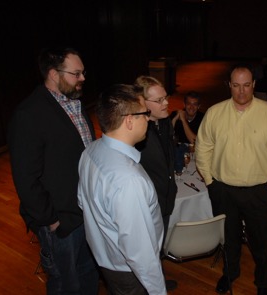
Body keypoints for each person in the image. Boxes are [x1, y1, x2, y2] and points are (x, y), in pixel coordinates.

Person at [7, 47, 99, 294]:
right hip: (61, 221)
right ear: (53, 74)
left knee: (88, 273)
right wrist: (51, 219)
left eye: (83, 72)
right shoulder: (29, 114)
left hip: (85, 211)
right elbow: (26, 178)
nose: (82, 78)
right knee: (65, 283)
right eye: (76, 73)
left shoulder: (75, 104)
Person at [195, 64, 267, 295]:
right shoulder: (214, 113)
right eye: (236, 85)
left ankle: (263, 283)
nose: (241, 91)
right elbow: (203, 149)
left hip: (260, 192)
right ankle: (230, 273)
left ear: (254, 85)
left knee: (262, 242)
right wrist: (210, 181)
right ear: (229, 85)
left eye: (246, 85)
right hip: (223, 190)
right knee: (228, 239)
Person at [78, 84, 166, 295]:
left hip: (106, 260)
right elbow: (140, 253)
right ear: (129, 121)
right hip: (131, 273)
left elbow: (83, 201)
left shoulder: (90, 151)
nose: (148, 118)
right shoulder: (129, 180)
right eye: (145, 113)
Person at [133, 75, 178, 291]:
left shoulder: (166, 122)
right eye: (159, 100)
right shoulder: (136, 132)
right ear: (142, 102)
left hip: (166, 199)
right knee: (145, 253)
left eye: (165, 97)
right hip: (148, 205)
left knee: (158, 248)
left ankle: (157, 281)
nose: (166, 103)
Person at [170, 91, 204, 172]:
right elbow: (167, 135)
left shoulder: (202, 118)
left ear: (199, 106)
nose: (191, 107)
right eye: (189, 103)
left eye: (195, 104)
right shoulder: (175, 114)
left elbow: (194, 141)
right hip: (177, 152)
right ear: (184, 104)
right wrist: (174, 119)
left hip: (194, 154)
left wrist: (183, 120)